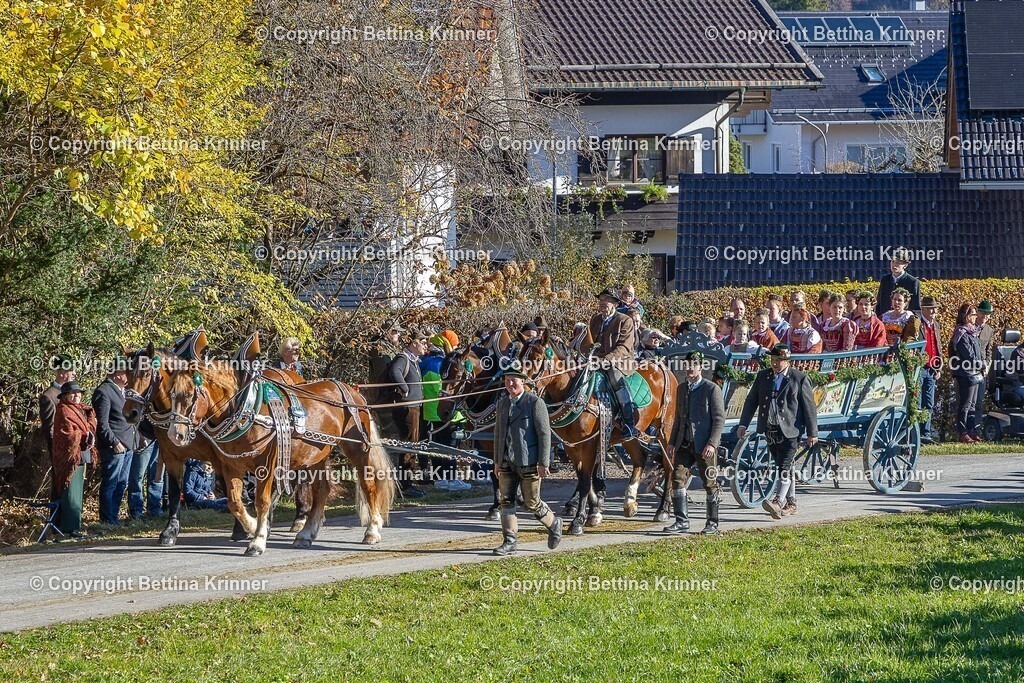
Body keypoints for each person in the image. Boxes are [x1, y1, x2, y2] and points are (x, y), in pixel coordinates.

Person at [738, 344, 818, 519]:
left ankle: (778, 501)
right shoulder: (763, 376)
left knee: (783, 465)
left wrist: (813, 432)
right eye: (773, 360)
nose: (775, 364)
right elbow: (751, 401)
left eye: (779, 361)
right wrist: (743, 424)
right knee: (784, 465)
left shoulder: (799, 378)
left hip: (791, 430)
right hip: (770, 428)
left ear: (787, 361)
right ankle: (792, 502)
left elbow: (809, 407)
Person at [491, 369, 562, 555]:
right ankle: (510, 541)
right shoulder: (503, 403)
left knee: (532, 501)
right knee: (505, 500)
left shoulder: (535, 403)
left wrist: (543, 462)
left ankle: (554, 523)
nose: (510, 384)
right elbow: (498, 434)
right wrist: (497, 461)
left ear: (523, 382)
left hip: (529, 461)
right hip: (507, 461)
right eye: (507, 381)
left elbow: (544, 434)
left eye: (513, 380)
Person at [666, 351, 724, 534]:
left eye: (694, 364)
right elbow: (678, 418)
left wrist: (712, 444)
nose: (690, 368)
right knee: (676, 478)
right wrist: (672, 443)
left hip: (704, 445)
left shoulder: (711, 389)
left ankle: (712, 523)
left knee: (709, 482)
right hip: (684, 443)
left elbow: (719, 419)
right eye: (687, 365)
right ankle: (681, 521)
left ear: (701, 367)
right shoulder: (681, 388)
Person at [584, 287, 640, 440]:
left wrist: (606, 360)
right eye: (601, 300)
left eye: (607, 300)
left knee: (614, 375)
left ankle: (629, 423)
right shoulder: (595, 320)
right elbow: (589, 343)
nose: (603, 303)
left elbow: (624, 347)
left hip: (620, 362)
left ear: (615, 304)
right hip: (596, 362)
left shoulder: (625, 320)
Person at [93, 366, 139, 525]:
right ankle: (107, 520)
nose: (129, 377)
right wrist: (114, 442)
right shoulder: (103, 391)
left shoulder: (125, 391)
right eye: (127, 373)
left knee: (121, 483)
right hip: (114, 446)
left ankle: (114, 516)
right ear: (118, 374)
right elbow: (102, 424)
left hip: (128, 444)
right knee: (110, 483)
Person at [51, 382, 97, 537]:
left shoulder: (81, 410)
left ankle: (75, 526)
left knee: (77, 492)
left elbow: (87, 428)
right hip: (69, 457)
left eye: (79, 393)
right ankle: (69, 528)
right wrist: (82, 435)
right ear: (65, 396)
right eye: (73, 393)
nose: (77, 396)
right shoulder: (63, 409)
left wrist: (89, 427)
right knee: (70, 492)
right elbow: (66, 433)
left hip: (81, 454)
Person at [387, 329, 428, 497]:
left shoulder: (414, 360)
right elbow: (395, 372)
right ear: (414, 343)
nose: (426, 345)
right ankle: (404, 486)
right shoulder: (403, 358)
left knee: (412, 445)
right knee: (408, 445)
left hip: (414, 407)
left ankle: (407, 483)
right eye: (423, 342)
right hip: (406, 408)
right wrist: (405, 389)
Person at [38, 354, 75, 499]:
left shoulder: (72, 392)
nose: (73, 374)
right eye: (70, 371)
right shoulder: (49, 396)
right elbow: (49, 429)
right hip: (59, 450)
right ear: (61, 373)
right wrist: (62, 447)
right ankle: (55, 519)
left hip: (74, 448)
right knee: (58, 485)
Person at [950, 303, 984, 442]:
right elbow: (968, 355)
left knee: (973, 404)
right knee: (965, 403)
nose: (975, 317)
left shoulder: (973, 332)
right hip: (965, 373)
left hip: (975, 372)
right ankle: (962, 431)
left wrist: (981, 364)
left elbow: (978, 352)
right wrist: (981, 364)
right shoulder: (961, 333)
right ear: (966, 316)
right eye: (973, 314)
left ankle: (972, 430)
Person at [918, 296, 943, 444]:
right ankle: (917, 433)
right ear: (924, 310)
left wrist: (939, 366)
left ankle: (926, 433)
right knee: (918, 402)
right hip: (921, 367)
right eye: (930, 309)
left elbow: (937, 346)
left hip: (932, 368)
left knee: (929, 403)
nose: (934, 311)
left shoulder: (936, 325)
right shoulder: (918, 324)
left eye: (935, 309)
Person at [876, 248, 921, 315]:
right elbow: (879, 304)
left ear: (905, 265)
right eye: (892, 261)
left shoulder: (913, 282)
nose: (894, 265)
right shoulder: (885, 280)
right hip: (886, 321)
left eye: (898, 262)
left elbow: (916, 308)